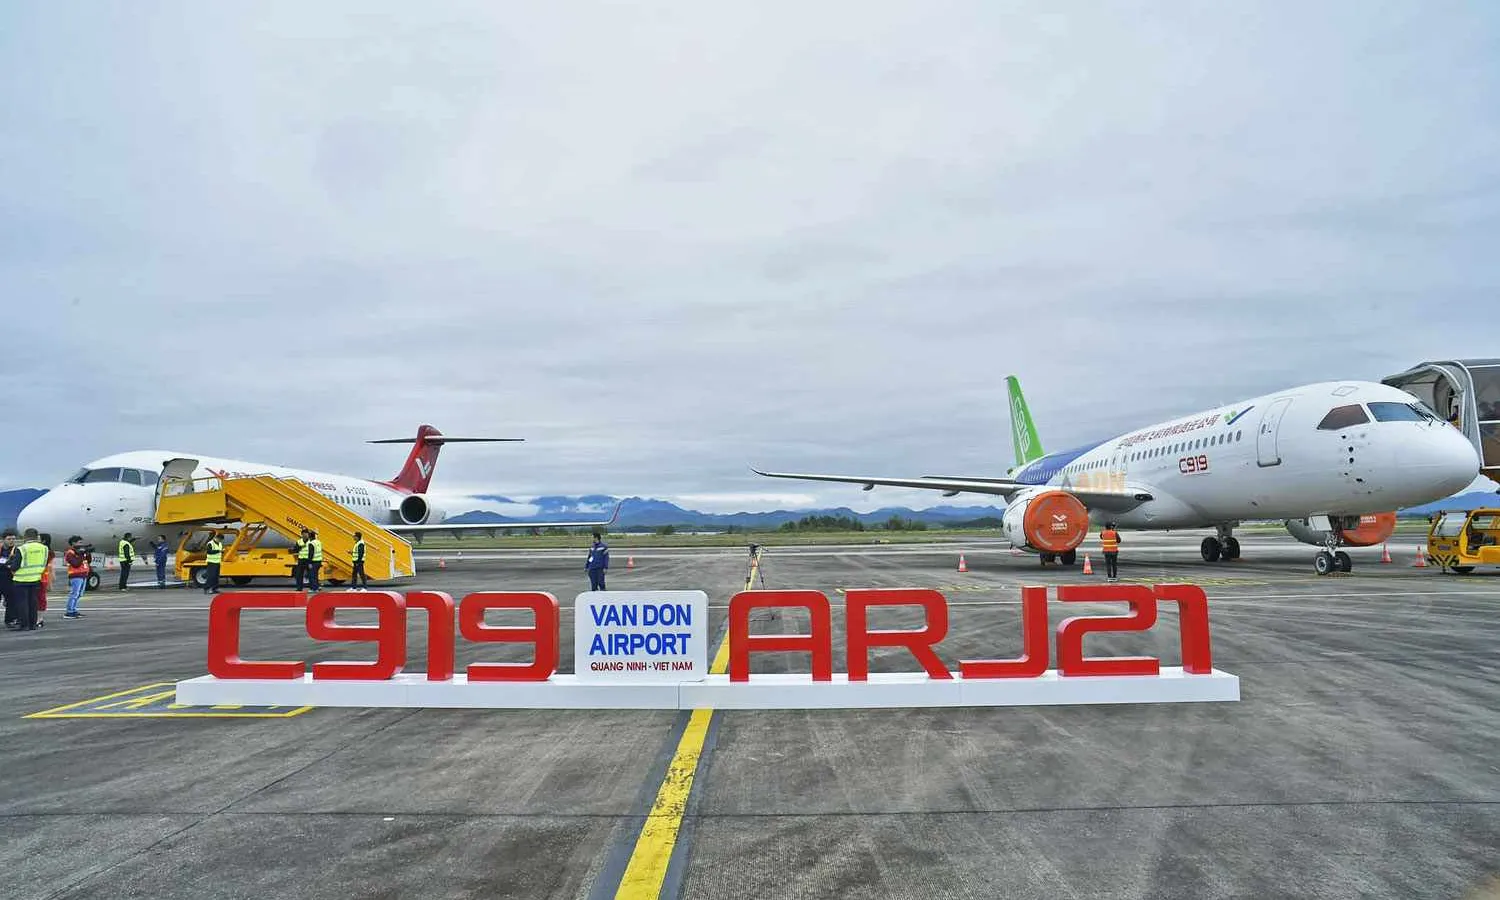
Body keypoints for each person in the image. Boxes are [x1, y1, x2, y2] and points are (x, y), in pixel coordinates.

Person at [11, 528, 48, 631]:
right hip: (36, 578)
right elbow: (44, 563)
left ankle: (24, 624)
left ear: (25, 537)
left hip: (21, 579)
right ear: (37, 537)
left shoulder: (22, 549)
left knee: (22, 603)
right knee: (33, 602)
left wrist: (10, 566)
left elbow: (15, 566)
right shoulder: (44, 548)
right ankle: (32, 624)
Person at [64, 536, 89, 619]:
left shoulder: (79, 552)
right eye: (79, 542)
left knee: (79, 594)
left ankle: (73, 610)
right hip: (76, 575)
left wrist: (87, 553)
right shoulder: (70, 553)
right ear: (74, 543)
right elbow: (76, 564)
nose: (81, 544)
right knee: (74, 594)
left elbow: (88, 561)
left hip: (83, 575)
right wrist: (81, 554)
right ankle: (69, 611)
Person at [1, 530, 17, 629]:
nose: (11, 541)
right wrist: (6, 564)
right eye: (9, 539)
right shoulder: (1, 549)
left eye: (13, 539)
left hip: (9, 578)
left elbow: (14, 564)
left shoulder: (16, 550)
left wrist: (7, 564)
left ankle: (10, 620)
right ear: (4, 540)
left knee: (11, 600)